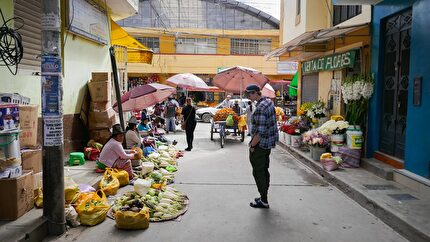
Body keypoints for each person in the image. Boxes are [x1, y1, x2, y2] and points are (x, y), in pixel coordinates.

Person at [245, 84, 278, 209]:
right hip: (268, 144)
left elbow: (260, 132)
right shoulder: (268, 102)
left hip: (260, 145)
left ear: (255, 93)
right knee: (264, 170)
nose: (248, 97)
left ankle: (264, 200)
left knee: (258, 172)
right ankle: (263, 196)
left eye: (249, 94)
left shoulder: (260, 108)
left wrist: (252, 146)